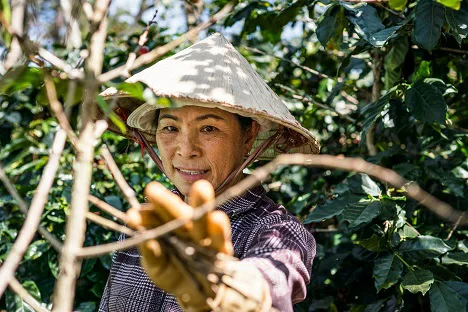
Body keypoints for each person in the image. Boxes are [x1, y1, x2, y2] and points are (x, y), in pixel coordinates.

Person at [96, 33, 320, 312]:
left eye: (209, 128)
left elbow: (271, 276)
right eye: (170, 128)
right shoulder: (144, 223)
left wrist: (230, 291)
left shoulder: (278, 230)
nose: (186, 150)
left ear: (248, 136)